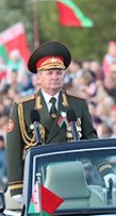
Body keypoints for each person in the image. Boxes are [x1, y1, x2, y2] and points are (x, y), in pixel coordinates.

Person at [6, 41, 100, 197]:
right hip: (40, 182)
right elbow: (14, 150)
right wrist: (17, 188)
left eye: (58, 72)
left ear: (64, 76)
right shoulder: (23, 107)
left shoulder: (77, 104)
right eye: (49, 73)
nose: (54, 77)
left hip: (72, 179)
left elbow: (91, 140)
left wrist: (104, 170)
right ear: (38, 78)